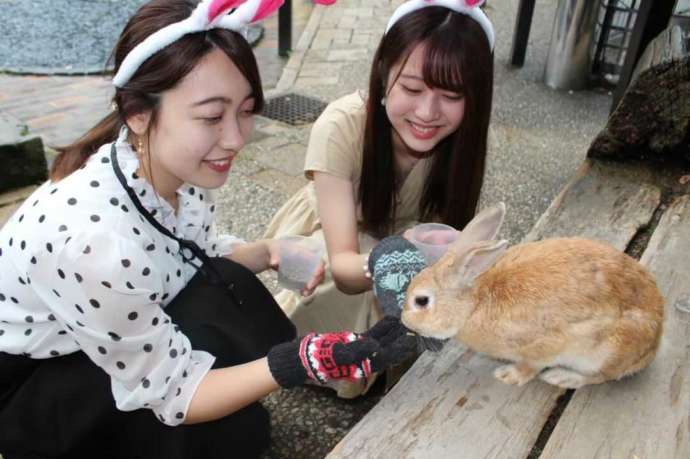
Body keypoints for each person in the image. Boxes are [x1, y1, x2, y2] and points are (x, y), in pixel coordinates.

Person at [0, 1, 414, 458]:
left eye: (246, 110)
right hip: (37, 386)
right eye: (212, 116)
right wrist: (298, 362)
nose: (237, 139)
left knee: (229, 288)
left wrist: (270, 251)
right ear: (138, 113)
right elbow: (175, 391)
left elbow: (189, 257)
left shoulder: (167, 170)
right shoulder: (93, 244)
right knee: (210, 349)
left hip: (102, 337)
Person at [264, 0, 495, 397]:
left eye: (452, 94)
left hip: (396, 249)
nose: (428, 111)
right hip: (326, 247)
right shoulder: (340, 126)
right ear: (382, 73)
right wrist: (396, 254)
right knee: (346, 292)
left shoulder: (464, 142)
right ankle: (311, 354)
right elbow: (344, 266)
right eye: (412, 87)